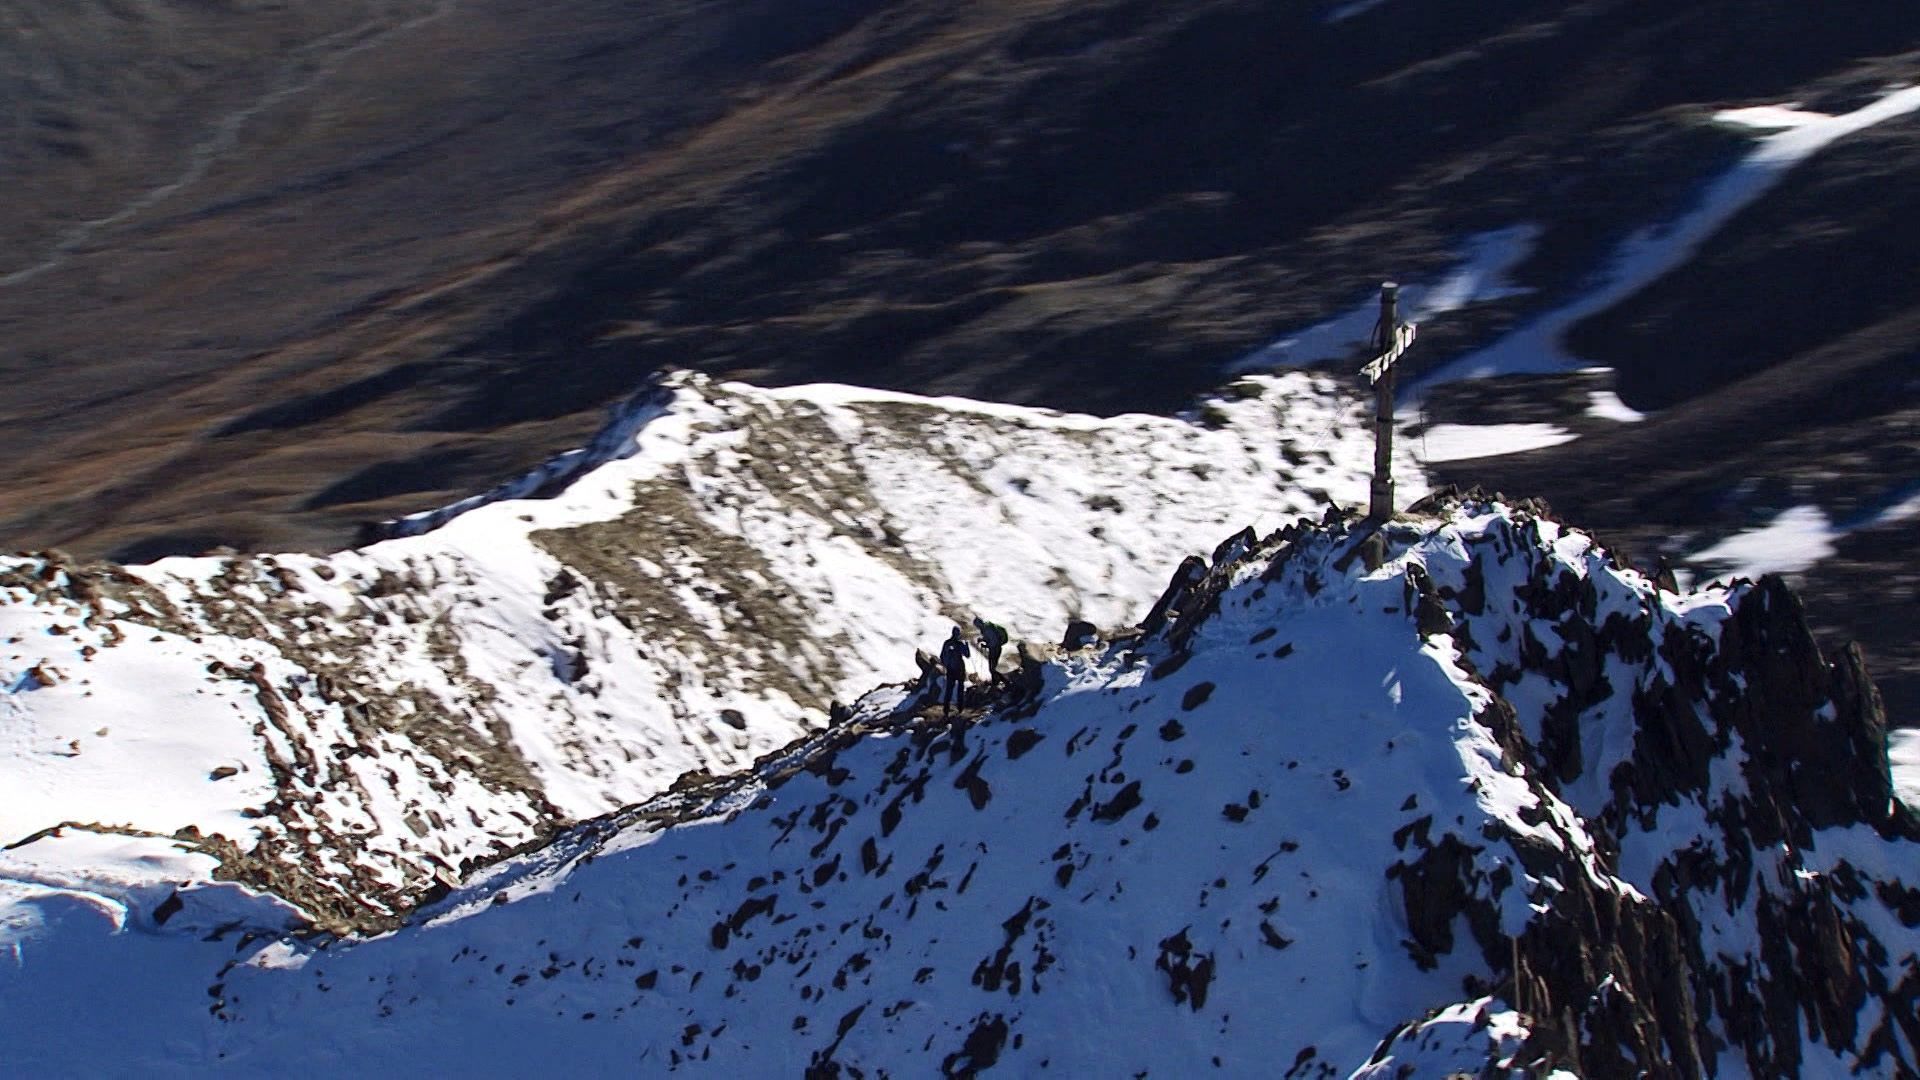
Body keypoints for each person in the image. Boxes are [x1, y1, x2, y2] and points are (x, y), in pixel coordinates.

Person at [940, 626, 971, 716]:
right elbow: (967, 655)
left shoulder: (947, 643)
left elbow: (942, 656)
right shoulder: (959, 644)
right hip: (960, 669)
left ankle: (946, 709)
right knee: (960, 689)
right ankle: (960, 708)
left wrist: (947, 665)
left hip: (950, 669)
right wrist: (966, 646)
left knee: (949, 689)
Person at [972, 616, 1008, 688]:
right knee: (992, 668)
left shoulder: (987, 630)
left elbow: (993, 642)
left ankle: (1003, 682)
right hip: (994, 649)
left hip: (995, 649)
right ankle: (997, 682)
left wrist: (986, 646)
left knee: (992, 668)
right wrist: (982, 640)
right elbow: (990, 639)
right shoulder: (986, 629)